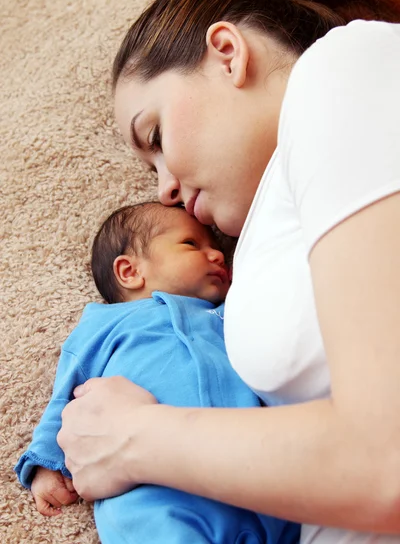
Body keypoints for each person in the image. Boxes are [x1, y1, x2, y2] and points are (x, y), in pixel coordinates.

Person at [56, 0, 400, 542]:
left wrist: (133, 440)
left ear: (226, 53)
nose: (163, 189)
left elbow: (386, 460)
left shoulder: (340, 69)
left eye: (156, 135)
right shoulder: (264, 240)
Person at [15, 202, 300, 544]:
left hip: (250, 471)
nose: (217, 256)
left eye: (214, 247)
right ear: (129, 271)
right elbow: (66, 397)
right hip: (153, 491)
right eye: (192, 245)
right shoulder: (105, 324)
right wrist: (45, 463)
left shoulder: (231, 312)